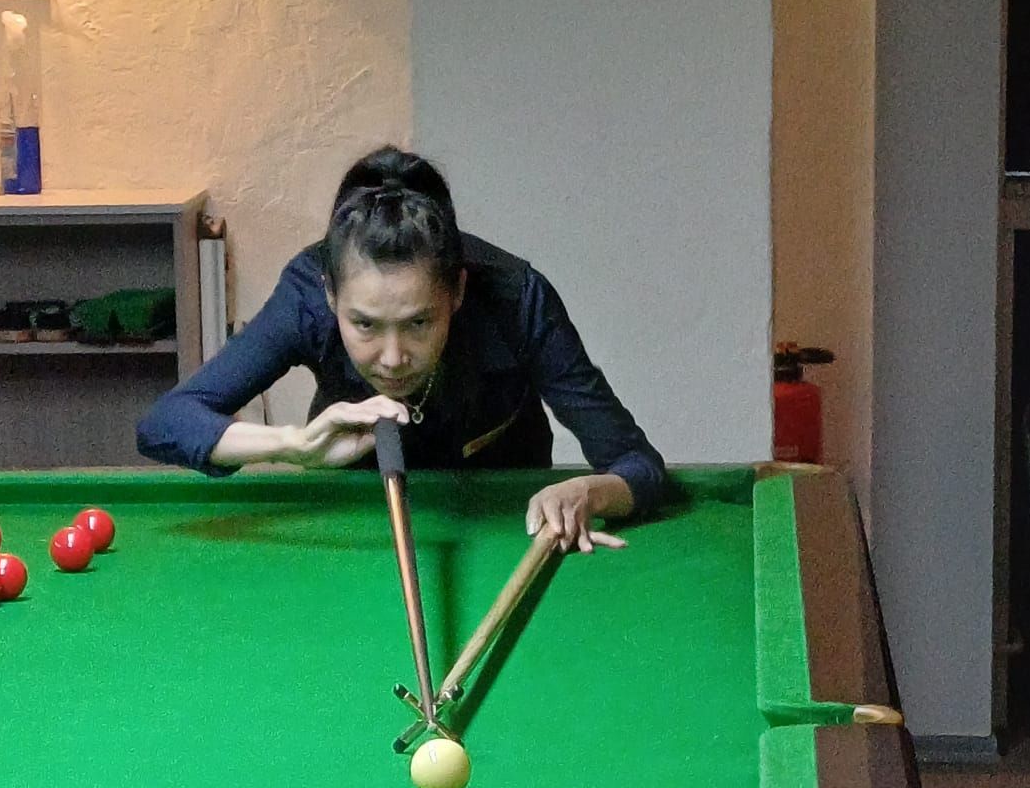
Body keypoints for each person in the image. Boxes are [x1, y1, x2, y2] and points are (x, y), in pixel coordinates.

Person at [137, 147, 667, 554]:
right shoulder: (306, 295)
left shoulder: (517, 299)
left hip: (507, 518)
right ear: (330, 296)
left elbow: (637, 464)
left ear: (457, 292)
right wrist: (293, 445)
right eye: (364, 324)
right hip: (356, 516)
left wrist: (590, 492)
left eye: (418, 322)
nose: (392, 357)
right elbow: (166, 423)